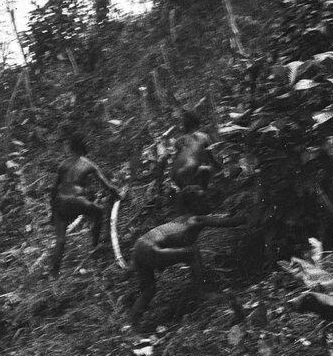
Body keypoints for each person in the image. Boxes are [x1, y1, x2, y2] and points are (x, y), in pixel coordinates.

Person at [128, 188, 244, 325]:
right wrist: (246, 217)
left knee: (148, 289)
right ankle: (202, 293)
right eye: (205, 200)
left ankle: (132, 324)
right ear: (195, 205)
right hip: (151, 249)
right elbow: (227, 222)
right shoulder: (196, 219)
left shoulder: (179, 219)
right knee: (192, 252)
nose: (209, 203)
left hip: (140, 245)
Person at [50, 132, 121, 276]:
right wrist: (119, 195)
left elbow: (53, 189)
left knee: (60, 240)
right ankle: (94, 247)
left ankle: (53, 274)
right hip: (77, 201)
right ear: (83, 147)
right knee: (98, 212)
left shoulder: (63, 164)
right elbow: (108, 186)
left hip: (60, 203)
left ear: (71, 149)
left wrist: (52, 212)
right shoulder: (88, 163)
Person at [170, 108, 220, 193]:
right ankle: (204, 192)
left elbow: (175, 163)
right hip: (193, 177)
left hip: (178, 180)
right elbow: (212, 160)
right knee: (207, 169)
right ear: (197, 123)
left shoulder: (178, 141)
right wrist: (222, 168)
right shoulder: (203, 136)